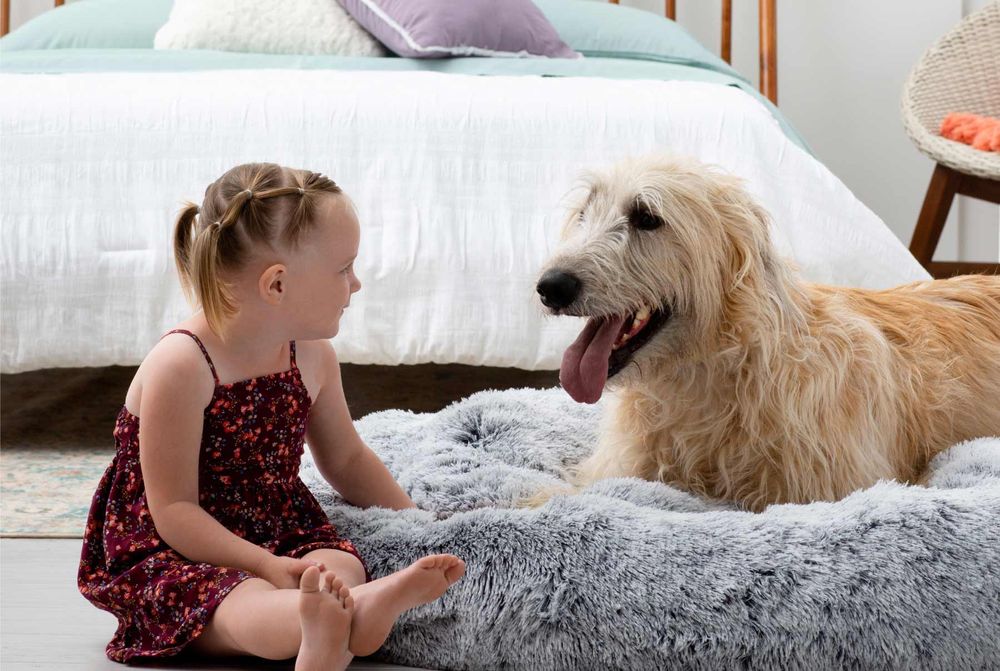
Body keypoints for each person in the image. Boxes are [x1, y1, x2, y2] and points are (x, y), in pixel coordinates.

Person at [78, 163, 465, 671]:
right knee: (236, 602)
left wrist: (414, 520)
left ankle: (343, 617)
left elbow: (346, 458)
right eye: (343, 269)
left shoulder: (311, 355)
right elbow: (172, 509)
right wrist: (262, 564)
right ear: (277, 285)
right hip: (179, 543)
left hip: (273, 521)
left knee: (338, 563)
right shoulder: (183, 365)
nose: (357, 283)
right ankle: (326, 624)